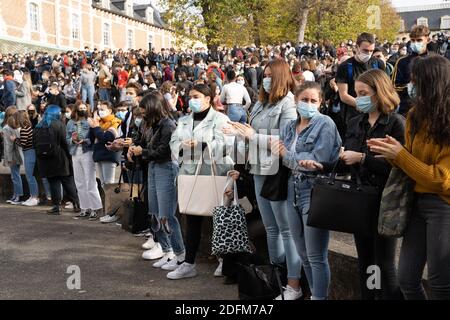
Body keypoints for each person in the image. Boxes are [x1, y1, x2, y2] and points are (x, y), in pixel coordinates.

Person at [368, 55, 450, 300]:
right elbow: (409, 162)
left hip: (443, 206)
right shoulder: (415, 115)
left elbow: (442, 179)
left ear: (432, 83)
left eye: (415, 81)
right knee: (406, 278)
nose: (410, 85)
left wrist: (401, 155)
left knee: (440, 281)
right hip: (416, 202)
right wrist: (390, 152)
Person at [226, 59, 301, 300]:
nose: (266, 79)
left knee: (285, 229)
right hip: (258, 169)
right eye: (264, 74)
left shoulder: (289, 104)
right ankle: (277, 277)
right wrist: (241, 137)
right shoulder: (261, 102)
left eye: (270, 75)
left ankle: (294, 284)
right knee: (271, 228)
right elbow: (250, 133)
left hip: (278, 173)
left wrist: (252, 135)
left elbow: (284, 141)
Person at [271, 81, 341, 300]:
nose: (308, 104)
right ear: (296, 100)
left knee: (316, 254)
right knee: (302, 252)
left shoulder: (325, 124)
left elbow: (319, 159)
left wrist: (289, 157)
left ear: (320, 103)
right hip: (293, 189)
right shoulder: (289, 126)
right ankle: (314, 294)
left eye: (313, 101)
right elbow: (287, 160)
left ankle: (320, 297)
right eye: (305, 100)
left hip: (315, 190)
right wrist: (294, 160)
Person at [168, 84, 233, 280]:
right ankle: (189, 263)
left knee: (219, 218)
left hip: (215, 173)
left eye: (196, 96)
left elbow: (226, 144)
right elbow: (173, 142)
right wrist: (182, 146)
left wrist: (202, 145)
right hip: (190, 174)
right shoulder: (184, 120)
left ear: (208, 98)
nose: (191, 100)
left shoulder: (221, 119)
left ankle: (223, 260)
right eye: (190, 96)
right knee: (193, 218)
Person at [129, 92, 186, 270]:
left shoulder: (168, 125)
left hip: (166, 168)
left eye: (145, 109)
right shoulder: (153, 125)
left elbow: (164, 152)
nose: (142, 113)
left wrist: (142, 152)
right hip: (153, 167)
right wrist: (136, 148)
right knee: (154, 212)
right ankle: (168, 251)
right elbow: (148, 146)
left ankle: (180, 255)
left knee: (166, 215)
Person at [336, 32, 385, 138]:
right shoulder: (345, 67)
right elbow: (343, 95)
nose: (368, 54)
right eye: (365, 50)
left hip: (376, 113)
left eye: (371, 51)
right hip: (353, 114)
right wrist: (361, 105)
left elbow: (384, 89)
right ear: (357, 47)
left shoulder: (378, 64)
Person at [34, 105, 80, 214]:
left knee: (53, 182)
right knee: (68, 181)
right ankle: (76, 204)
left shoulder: (38, 126)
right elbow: (65, 142)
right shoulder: (59, 125)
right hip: (60, 158)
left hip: (45, 159)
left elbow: (34, 143)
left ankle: (56, 207)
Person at [66, 101, 103, 220]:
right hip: (75, 152)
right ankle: (84, 208)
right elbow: (66, 138)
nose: (82, 110)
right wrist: (72, 139)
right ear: (76, 109)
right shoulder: (70, 122)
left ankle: (96, 208)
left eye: (84, 108)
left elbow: (94, 137)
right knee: (79, 182)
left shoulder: (90, 120)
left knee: (90, 181)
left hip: (87, 152)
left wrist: (85, 140)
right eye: (80, 108)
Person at [392, 25, 430, 116]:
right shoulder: (402, 61)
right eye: (413, 40)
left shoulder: (435, 61)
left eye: (419, 40)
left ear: (427, 40)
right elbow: (394, 85)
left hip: (430, 107)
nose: (415, 43)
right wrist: (410, 87)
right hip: (407, 108)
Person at [89, 101, 121, 187]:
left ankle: (109, 201)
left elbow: (107, 138)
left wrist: (96, 128)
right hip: (99, 155)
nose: (100, 111)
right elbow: (92, 138)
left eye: (102, 109)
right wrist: (93, 125)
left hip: (109, 156)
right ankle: (104, 201)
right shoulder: (99, 122)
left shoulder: (115, 122)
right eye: (99, 109)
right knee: (103, 184)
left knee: (109, 184)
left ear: (110, 111)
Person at [12, 111, 40, 206]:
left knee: (30, 176)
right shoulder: (28, 127)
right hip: (30, 152)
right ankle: (32, 196)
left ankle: (34, 197)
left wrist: (15, 139)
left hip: (29, 152)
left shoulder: (24, 129)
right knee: (30, 176)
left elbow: (23, 144)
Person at [2, 106, 22, 204]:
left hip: (12, 155)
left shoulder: (6, 128)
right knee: (16, 176)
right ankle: (16, 195)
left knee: (15, 176)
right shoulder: (17, 126)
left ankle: (17, 196)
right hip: (18, 154)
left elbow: (8, 145)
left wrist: (8, 158)